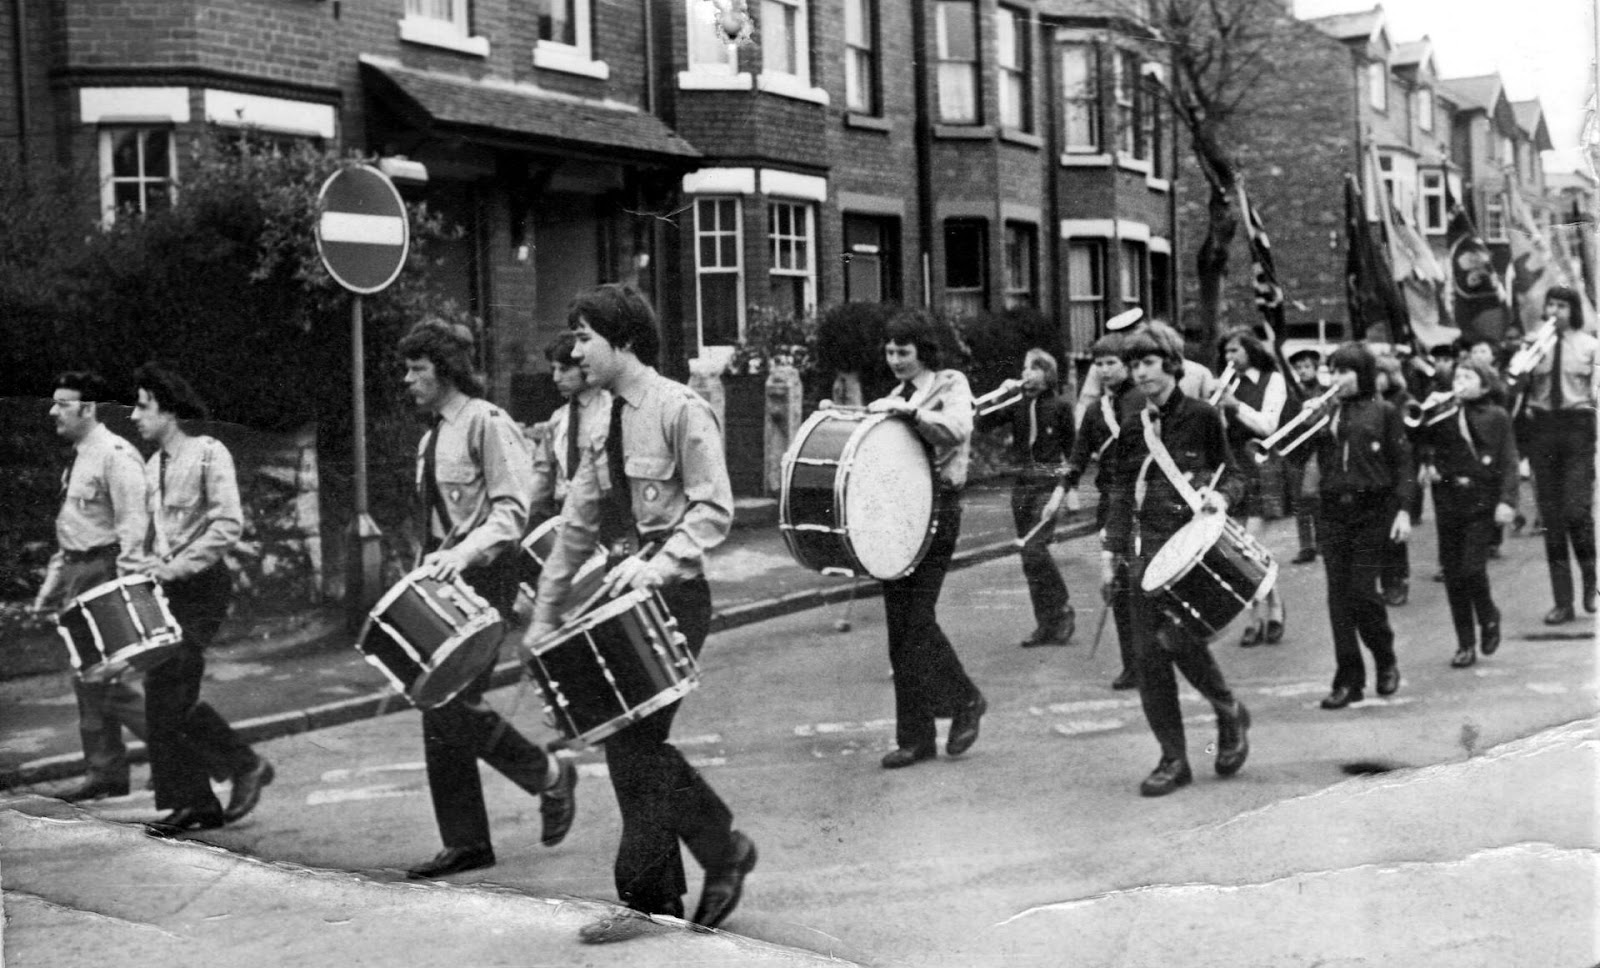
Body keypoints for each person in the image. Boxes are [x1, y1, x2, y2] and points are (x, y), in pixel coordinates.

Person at [524, 284, 754, 943]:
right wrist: (544, 617)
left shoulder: (681, 410)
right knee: (632, 745)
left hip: (674, 594)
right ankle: (711, 859)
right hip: (620, 599)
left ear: (623, 342)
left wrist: (657, 564)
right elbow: (576, 526)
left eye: (587, 337)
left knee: (633, 743)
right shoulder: (596, 419)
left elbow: (713, 510)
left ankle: (661, 889)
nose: (577, 349)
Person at [398, 319, 578, 880]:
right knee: (438, 707)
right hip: (445, 584)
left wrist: (464, 556)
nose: (408, 380)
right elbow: (436, 522)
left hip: (486, 580)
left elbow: (512, 511)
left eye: (418, 369)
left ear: (446, 370)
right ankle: (466, 841)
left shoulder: (486, 424)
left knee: (450, 703)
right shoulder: (433, 437)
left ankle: (548, 775)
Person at [1100, 322, 1251, 797]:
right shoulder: (1131, 425)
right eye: (1134, 364)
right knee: (1148, 658)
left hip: (1191, 552)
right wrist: (1110, 554)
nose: (1139, 373)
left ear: (1170, 363)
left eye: (1146, 362)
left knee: (1181, 641)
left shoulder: (1203, 416)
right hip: (1146, 557)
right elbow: (1122, 494)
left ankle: (1228, 711)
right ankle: (1174, 758)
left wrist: (1221, 497)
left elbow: (1235, 475)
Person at [131, 363, 274, 834]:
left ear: (168, 410)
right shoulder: (152, 467)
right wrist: (149, 566)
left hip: (202, 587)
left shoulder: (209, 453)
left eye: (143, 405)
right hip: (166, 589)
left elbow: (227, 524)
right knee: (161, 694)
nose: (134, 416)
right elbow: (160, 534)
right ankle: (195, 803)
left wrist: (176, 565)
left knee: (174, 686)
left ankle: (244, 763)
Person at [859, 310, 987, 770]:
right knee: (899, 629)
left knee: (918, 620)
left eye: (904, 351)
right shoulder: (893, 397)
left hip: (939, 511)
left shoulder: (949, 384)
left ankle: (965, 699)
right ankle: (915, 738)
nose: (895, 360)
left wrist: (910, 411)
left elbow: (956, 428)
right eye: (890, 352)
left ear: (922, 351)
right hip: (900, 516)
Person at [33, 371, 153, 802]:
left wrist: (127, 588)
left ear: (87, 408)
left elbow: (134, 527)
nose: (53, 411)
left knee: (114, 680)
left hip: (106, 572)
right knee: (87, 679)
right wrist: (51, 587)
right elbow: (72, 532)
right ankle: (105, 772)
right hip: (80, 574)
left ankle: (178, 751)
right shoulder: (81, 455)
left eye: (62, 404)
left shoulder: (115, 455)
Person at [1307, 344, 1414, 710]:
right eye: (1333, 372)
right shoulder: (1327, 413)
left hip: (1373, 509)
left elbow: (1402, 465)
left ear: (1362, 374)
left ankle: (1385, 658)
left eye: (1344, 372)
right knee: (1338, 599)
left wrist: (1402, 512)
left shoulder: (1384, 411)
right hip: (1333, 510)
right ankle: (1348, 679)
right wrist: (1311, 423)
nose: (1336, 380)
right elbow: (1297, 456)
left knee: (1363, 593)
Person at [1415, 360, 1517, 667]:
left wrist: (1507, 501)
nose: (1460, 381)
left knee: (1472, 568)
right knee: (1453, 575)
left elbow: (1509, 459)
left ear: (1484, 385)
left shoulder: (1496, 416)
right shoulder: (1442, 413)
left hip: (1481, 499)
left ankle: (1488, 615)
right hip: (1448, 499)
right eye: (1457, 375)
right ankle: (1465, 643)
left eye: (1468, 376)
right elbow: (1417, 440)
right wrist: (1427, 413)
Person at [976, 348, 1076, 647]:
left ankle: (1061, 608)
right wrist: (997, 397)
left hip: (1047, 484)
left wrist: (1069, 493)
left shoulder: (1059, 407)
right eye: (1024, 368)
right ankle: (1045, 623)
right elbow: (981, 424)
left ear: (1048, 373)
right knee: (1028, 558)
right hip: (1022, 485)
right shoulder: (1017, 405)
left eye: (1035, 368)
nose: (1026, 374)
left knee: (1036, 549)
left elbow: (1072, 452)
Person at [1062, 333, 1139, 689]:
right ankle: (1132, 664)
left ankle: (1154, 659)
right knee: (1118, 586)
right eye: (1099, 364)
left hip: (1145, 498)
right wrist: (1064, 488)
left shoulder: (1142, 400)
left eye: (1112, 363)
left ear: (1126, 365)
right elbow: (1079, 455)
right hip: (1112, 501)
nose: (1105, 370)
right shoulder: (1095, 410)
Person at [1518, 285, 1598, 624]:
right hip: (1543, 429)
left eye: (1562, 305)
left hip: (1577, 427)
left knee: (1576, 511)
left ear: (1573, 310)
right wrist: (1526, 353)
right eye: (1550, 304)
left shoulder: (1590, 346)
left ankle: (1591, 578)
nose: (1555, 311)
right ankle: (1562, 602)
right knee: (1551, 520)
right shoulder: (1536, 345)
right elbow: (1517, 386)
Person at [1214, 329, 1288, 646]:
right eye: (1226, 353)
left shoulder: (1272, 380)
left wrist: (1234, 405)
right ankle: (1262, 610)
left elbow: (1268, 425)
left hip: (1260, 465)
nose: (1230, 359)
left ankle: (1265, 611)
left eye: (1235, 352)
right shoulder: (1225, 381)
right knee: (1236, 550)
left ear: (1250, 351)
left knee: (1252, 547)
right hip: (1232, 469)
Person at [527, 332, 610, 526]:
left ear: (583, 365)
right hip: (564, 517)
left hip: (602, 517)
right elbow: (542, 479)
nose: (556, 378)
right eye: (553, 369)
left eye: (564, 369)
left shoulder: (609, 410)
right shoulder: (558, 419)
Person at [1374, 352, 1417, 606]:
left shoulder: (1402, 399)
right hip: (1376, 470)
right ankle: (1385, 580)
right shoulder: (1370, 400)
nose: (1376, 379)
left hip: (1396, 469)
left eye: (1381, 374)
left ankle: (1398, 581)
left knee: (1394, 532)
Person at [1284, 349, 1324, 564]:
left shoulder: (1324, 391)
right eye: (1298, 368)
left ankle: (1321, 542)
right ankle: (1306, 547)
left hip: (1317, 451)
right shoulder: (1292, 394)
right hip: (1297, 452)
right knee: (1299, 502)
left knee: (1315, 498)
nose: (1302, 371)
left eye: (1307, 366)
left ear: (1316, 368)